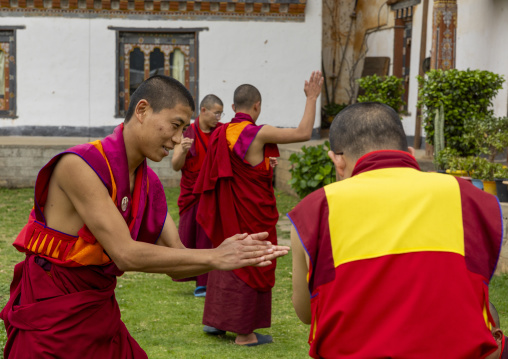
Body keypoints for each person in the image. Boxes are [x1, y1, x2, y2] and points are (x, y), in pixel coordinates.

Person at [0, 75, 289, 358]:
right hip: (52, 319)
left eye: (184, 130)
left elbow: (178, 263)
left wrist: (237, 256)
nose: (178, 140)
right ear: (142, 110)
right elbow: (125, 254)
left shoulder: (148, 184)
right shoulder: (80, 165)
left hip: (99, 313)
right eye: (175, 126)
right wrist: (215, 256)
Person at [288, 102, 503, 358]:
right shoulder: (468, 197)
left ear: (337, 160)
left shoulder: (316, 208)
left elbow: (305, 312)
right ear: (410, 152)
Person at [193, 71, 324, 346]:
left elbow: (235, 168)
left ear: (232, 108)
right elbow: (302, 133)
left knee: (227, 252)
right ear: (257, 106)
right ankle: (245, 333)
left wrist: (265, 166)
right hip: (252, 213)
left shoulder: (221, 132)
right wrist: (312, 98)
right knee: (252, 258)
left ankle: (217, 321)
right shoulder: (257, 132)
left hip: (229, 210)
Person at [172, 94, 225, 297]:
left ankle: (205, 282)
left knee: (208, 236)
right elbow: (176, 166)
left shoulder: (221, 132)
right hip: (192, 193)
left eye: (221, 113)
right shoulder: (187, 133)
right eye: (216, 113)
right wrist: (183, 151)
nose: (219, 118)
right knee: (191, 236)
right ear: (204, 111)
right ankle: (198, 277)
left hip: (212, 192)